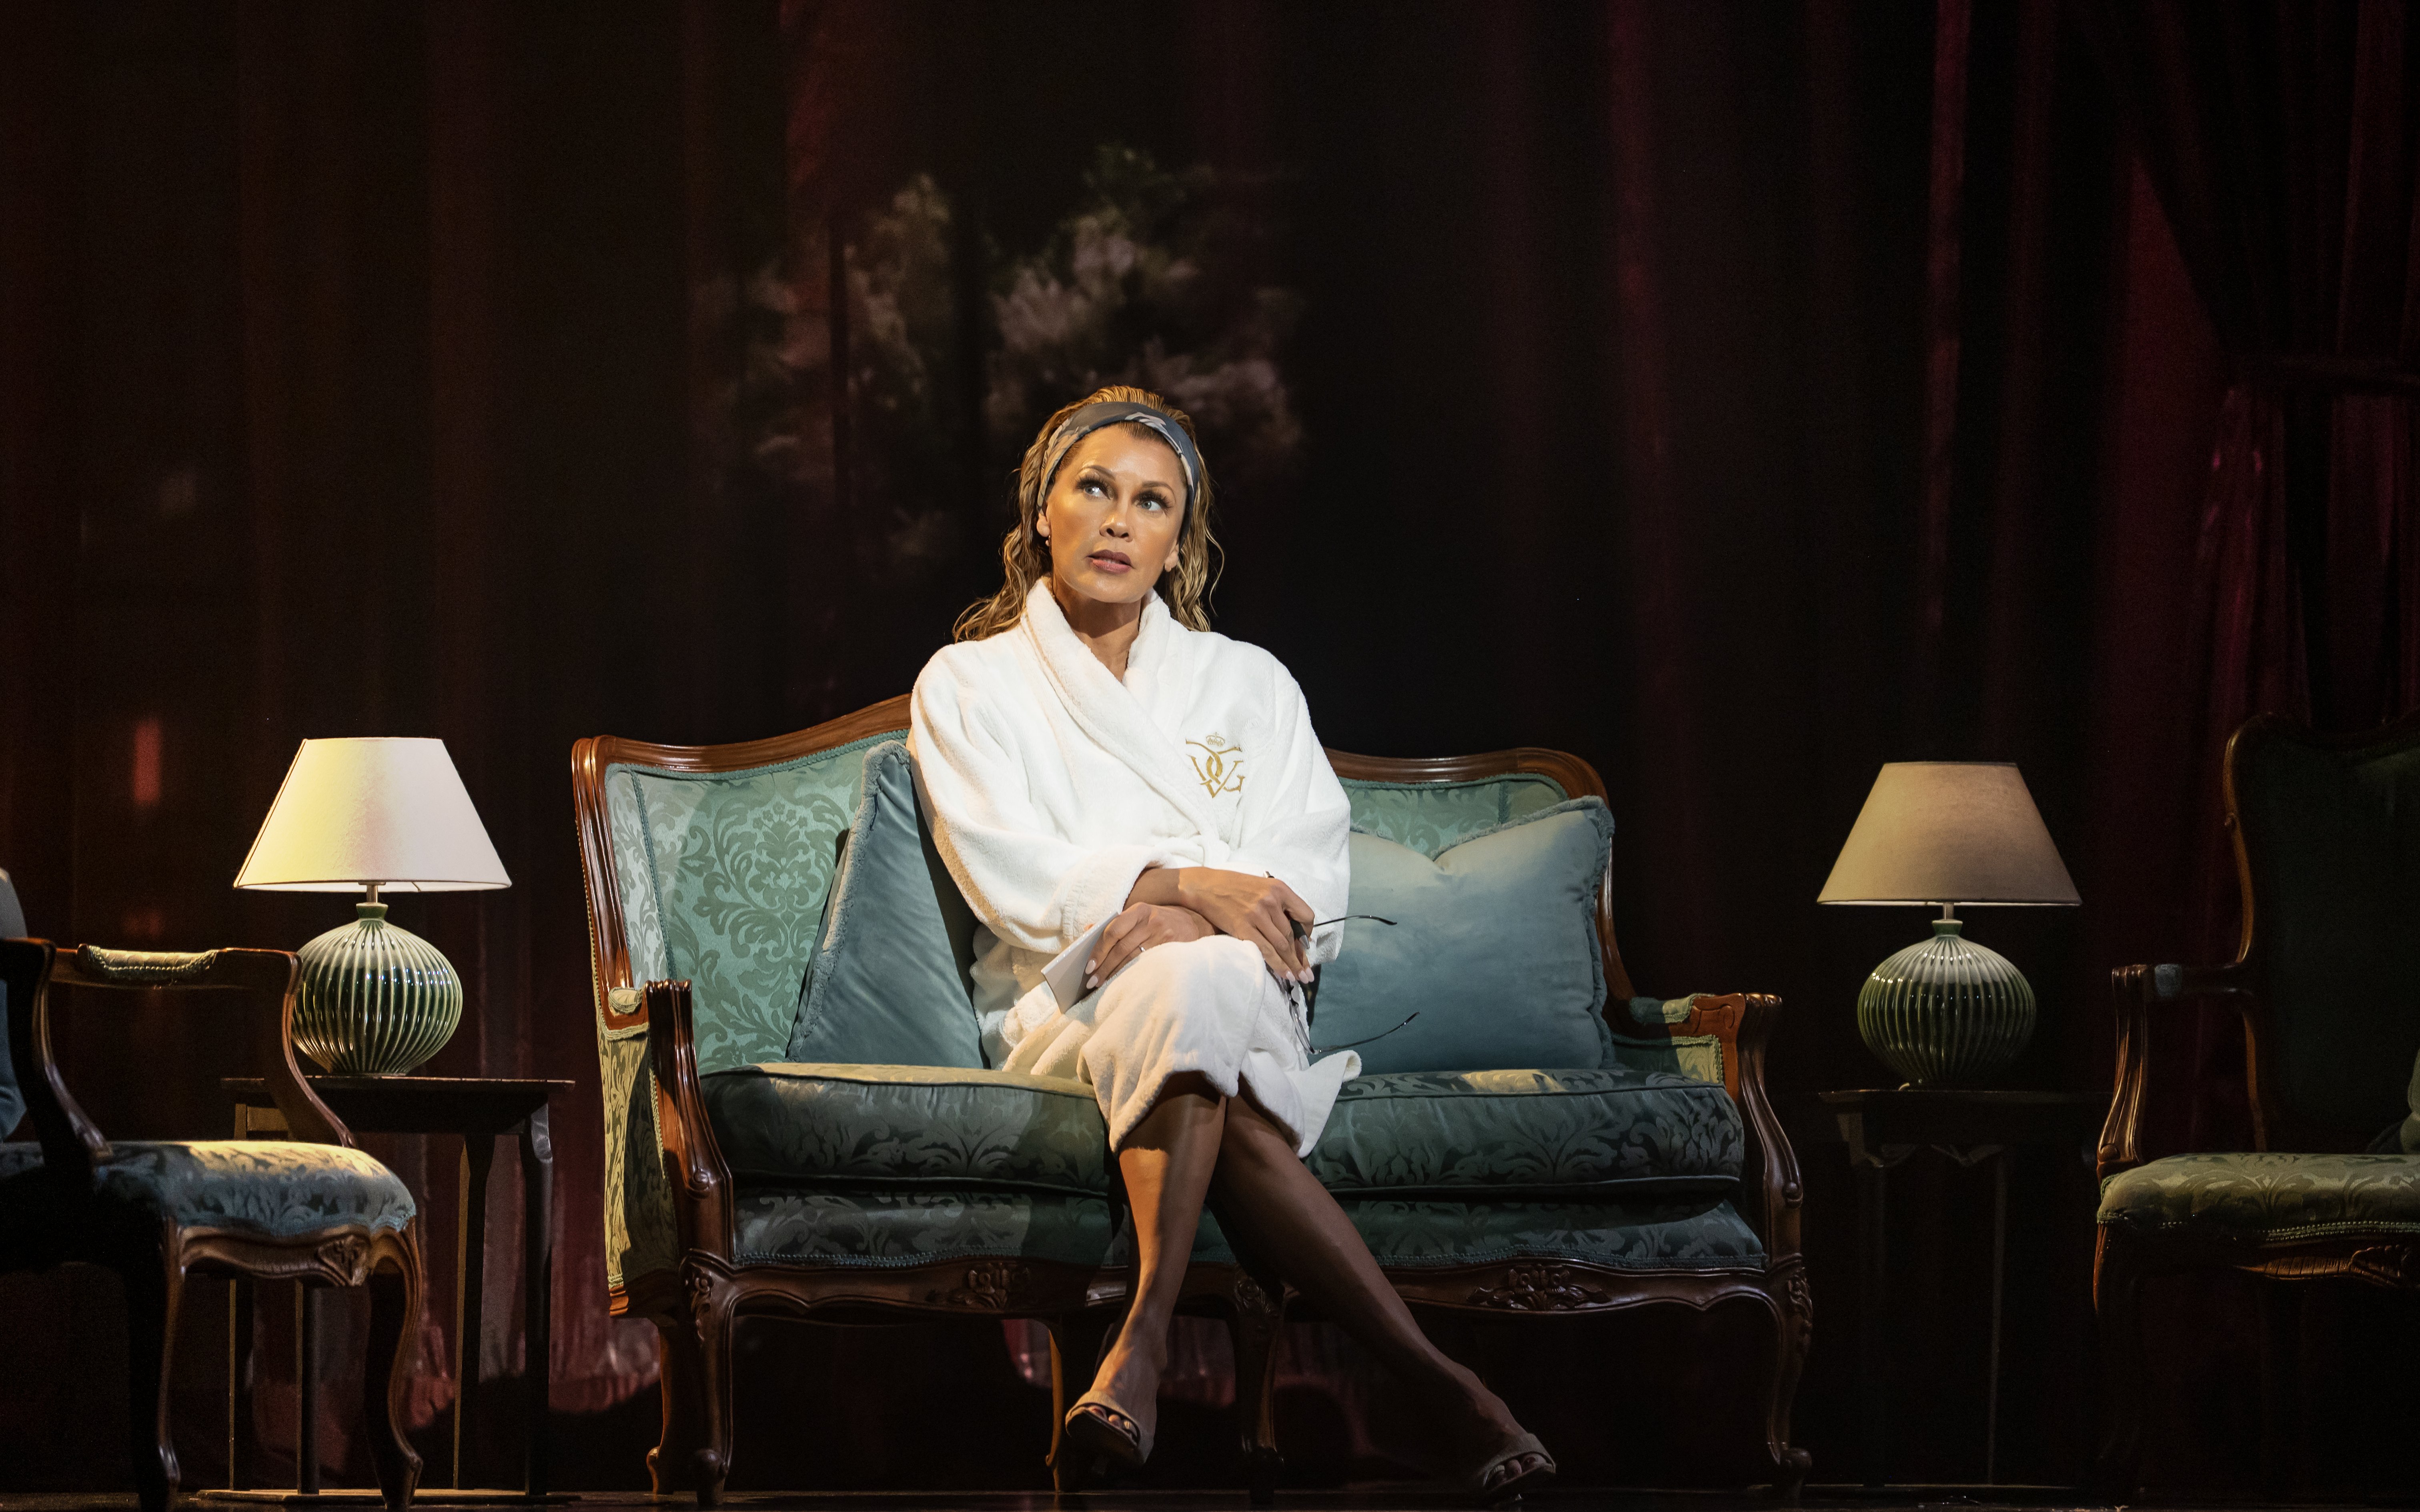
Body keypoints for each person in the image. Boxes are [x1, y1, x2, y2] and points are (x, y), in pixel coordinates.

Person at [909, 386, 1553, 1499]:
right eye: (1095, 490)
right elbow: (1006, 870)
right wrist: (1188, 882)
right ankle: (1441, 1382)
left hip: (1246, 992)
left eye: (1151, 502)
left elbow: (1310, 887)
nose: (1119, 520)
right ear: (1042, 514)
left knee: (1203, 969)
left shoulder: (1250, 684)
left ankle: (1144, 1340)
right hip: (1065, 1003)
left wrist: (1179, 918)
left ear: (1177, 541)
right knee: (1195, 971)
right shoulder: (970, 684)